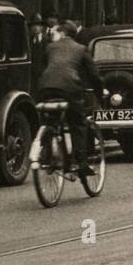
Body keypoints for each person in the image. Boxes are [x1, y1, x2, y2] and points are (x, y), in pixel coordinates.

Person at [36, 21, 106, 179]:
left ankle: (46, 153)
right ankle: (80, 163)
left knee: (49, 119)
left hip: (45, 88)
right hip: (69, 89)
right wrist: (100, 93)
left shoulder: (50, 47)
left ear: (62, 33)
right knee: (78, 123)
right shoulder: (81, 49)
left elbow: (44, 69)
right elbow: (94, 76)